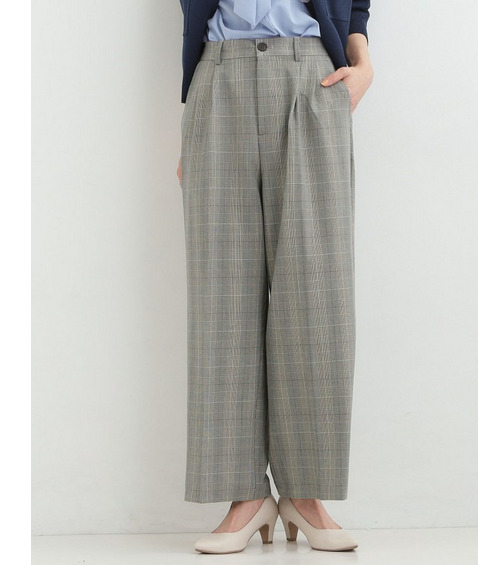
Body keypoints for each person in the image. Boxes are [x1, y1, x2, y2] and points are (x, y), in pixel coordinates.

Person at [177, 0, 373, 554]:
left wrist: (363, 62)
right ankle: (245, 496)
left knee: (317, 291)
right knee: (220, 297)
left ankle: (305, 495)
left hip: (312, 75)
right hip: (218, 75)